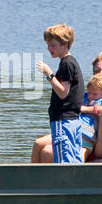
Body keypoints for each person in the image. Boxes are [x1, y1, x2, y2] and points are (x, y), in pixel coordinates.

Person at [35, 24, 84, 164]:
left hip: (63, 120)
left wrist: (49, 73)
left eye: (53, 45)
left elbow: (63, 93)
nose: (49, 49)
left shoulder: (66, 64)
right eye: (48, 45)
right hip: (73, 120)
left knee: (64, 161)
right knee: (74, 160)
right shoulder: (71, 62)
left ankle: (66, 185)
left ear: (65, 44)